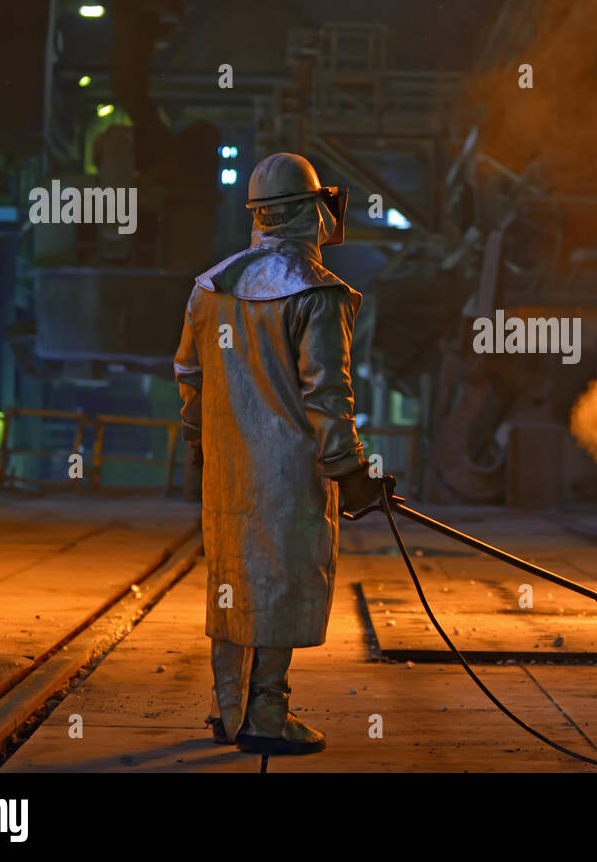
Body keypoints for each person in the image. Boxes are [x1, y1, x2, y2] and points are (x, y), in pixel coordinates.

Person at [173, 152, 387, 755]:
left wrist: (200, 443)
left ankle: (228, 709)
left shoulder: (209, 288)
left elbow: (190, 375)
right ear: (311, 212)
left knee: (232, 579)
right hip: (289, 473)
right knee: (282, 579)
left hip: (228, 470)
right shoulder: (319, 295)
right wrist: (352, 469)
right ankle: (266, 714)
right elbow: (328, 396)